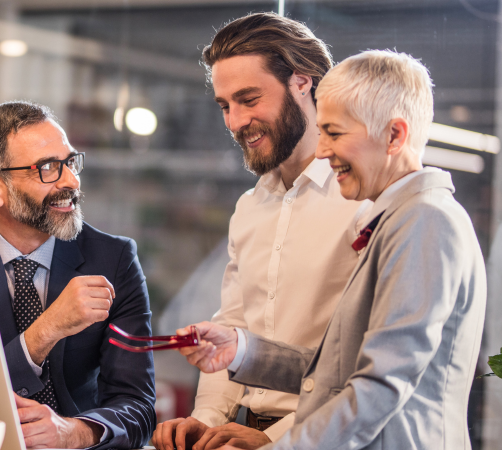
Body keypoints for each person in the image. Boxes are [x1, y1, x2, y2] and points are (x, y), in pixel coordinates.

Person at [175, 50, 486, 450]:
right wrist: (242, 351)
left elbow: (379, 385)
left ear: (394, 136)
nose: (321, 151)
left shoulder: (426, 221)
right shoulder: (396, 218)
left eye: (335, 134)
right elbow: (337, 373)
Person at [152, 13, 365, 450]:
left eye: (249, 99)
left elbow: (365, 366)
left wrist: (272, 439)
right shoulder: (249, 207)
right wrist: (206, 419)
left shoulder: (361, 202)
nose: (234, 121)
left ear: (303, 82)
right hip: (245, 429)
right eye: (225, 105)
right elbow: (232, 326)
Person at [0, 101, 155, 450]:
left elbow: (139, 407)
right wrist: (46, 329)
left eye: (70, 162)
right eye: (49, 168)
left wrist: (72, 432)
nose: (71, 181)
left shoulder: (113, 258)